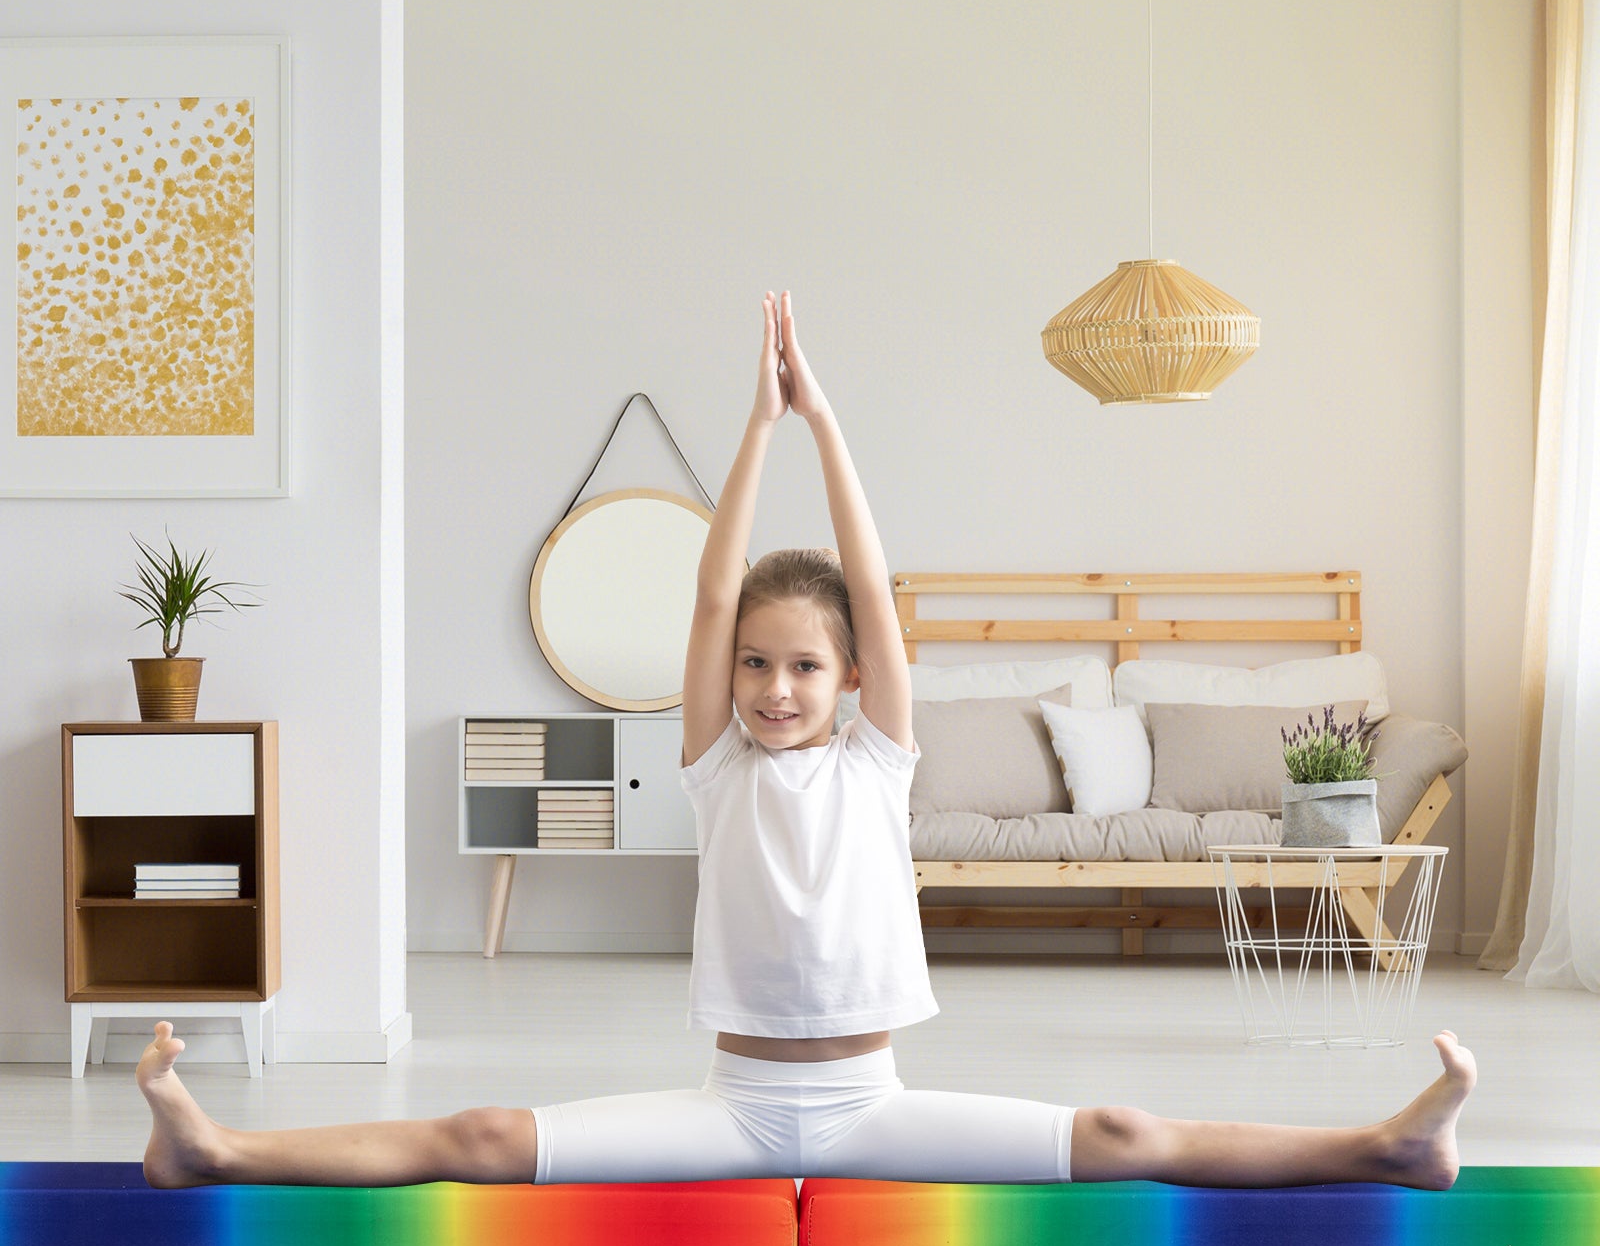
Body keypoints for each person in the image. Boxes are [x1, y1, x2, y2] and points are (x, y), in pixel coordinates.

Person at [136, 290, 1476, 1193]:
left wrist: (824, 427)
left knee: (1126, 1131)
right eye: (757, 668)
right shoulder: (717, 768)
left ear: (849, 681)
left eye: (806, 668)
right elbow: (712, 596)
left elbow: (877, 599)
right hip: (725, 1110)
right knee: (481, 1132)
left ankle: (1381, 1146)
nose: (777, 687)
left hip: (877, 1106)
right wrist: (753, 430)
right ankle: (215, 1151)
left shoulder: (875, 761)